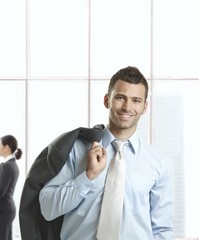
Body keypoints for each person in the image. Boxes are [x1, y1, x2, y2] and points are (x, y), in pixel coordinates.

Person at [19, 66, 174, 240]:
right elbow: (47, 208)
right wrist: (87, 176)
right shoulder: (75, 150)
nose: (127, 107)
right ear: (107, 100)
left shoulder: (159, 163)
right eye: (120, 97)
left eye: (136, 100)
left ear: (144, 107)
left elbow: (162, 229)